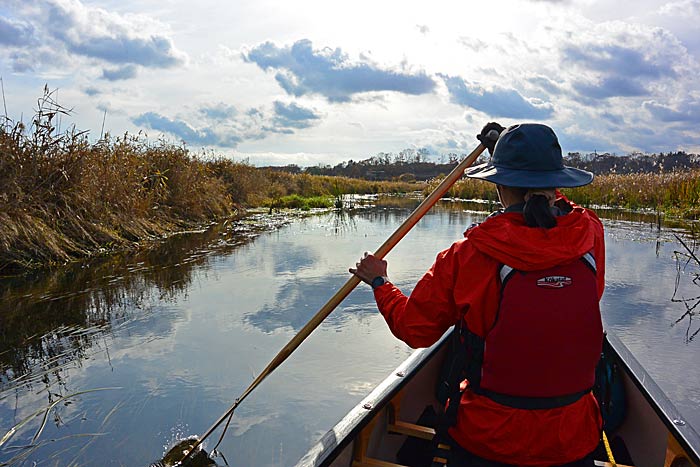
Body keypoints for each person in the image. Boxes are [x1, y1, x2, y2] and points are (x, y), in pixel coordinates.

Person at [350, 123, 605, 467]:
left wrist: (381, 283)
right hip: (574, 437)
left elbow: (415, 330)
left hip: (491, 440)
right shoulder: (589, 235)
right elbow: (555, 211)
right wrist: (508, 160)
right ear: (558, 182)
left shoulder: (469, 254)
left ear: (499, 186)